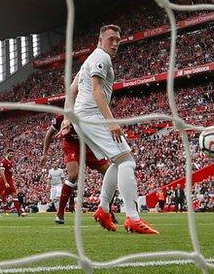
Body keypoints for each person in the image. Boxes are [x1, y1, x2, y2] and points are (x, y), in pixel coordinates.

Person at [58, 24, 158, 235]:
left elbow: (70, 91)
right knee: (128, 160)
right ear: (100, 40)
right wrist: (111, 121)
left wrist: (68, 118)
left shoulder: (90, 59)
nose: (114, 43)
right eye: (111, 38)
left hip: (82, 118)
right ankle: (133, 217)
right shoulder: (101, 58)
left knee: (117, 161)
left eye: (118, 40)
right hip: (92, 117)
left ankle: (103, 209)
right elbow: (96, 92)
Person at [41, 115, 115, 224]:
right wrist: (44, 154)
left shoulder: (90, 115)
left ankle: (107, 211)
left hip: (89, 147)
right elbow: (49, 134)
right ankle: (60, 213)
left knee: (111, 174)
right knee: (73, 175)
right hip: (72, 147)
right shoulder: (61, 118)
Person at [0, 149, 27, 217]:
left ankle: (19, 212)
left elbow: (10, 172)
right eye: (10, 153)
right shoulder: (4, 161)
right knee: (1, 196)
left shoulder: (11, 162)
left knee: (15, 195)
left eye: (13, 154)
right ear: (7, 153)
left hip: (10, 182)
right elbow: (2, 172)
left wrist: (13, 179)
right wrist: (6, 182)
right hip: (4, 182)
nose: (12, 155)